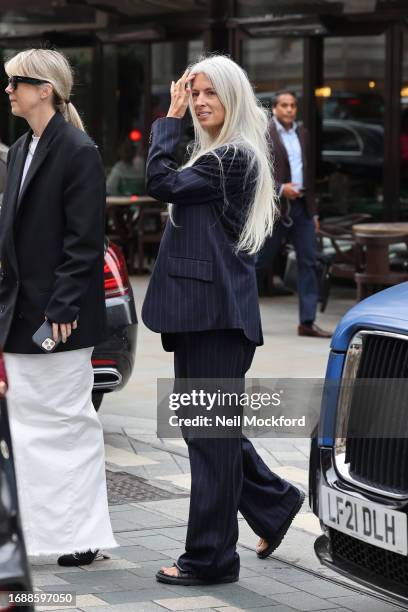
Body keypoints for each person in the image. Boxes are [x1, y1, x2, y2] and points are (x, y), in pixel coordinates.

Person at [142, 55, 305, 586]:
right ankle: (276, 503)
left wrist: (168, 118)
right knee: (207, 430)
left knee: (210, 439)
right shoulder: (215, 153)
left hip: (216, 318)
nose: (201, 100)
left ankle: (211, 559)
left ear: (233, 98)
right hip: (201, 316)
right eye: (195, 91)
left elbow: (160, 183)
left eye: (211, 92)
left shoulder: (233, 156)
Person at [0, 48, 117, 566]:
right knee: (30, 432)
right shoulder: (24, 146)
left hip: (57, 318)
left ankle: (81, 534)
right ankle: (48, 532)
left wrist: (63, 306)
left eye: (15, 82)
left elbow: (85, 240)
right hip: (21, 312)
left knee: (68, 427)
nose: (8, 90)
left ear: (44, 88)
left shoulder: (77, 149)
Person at [256, 90, 331, 338]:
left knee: (308, 263)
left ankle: (307, 322)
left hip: (302, 208)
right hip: (276, 209)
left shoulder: (303, 133)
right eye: (284, 105)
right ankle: (241, 315)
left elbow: (308, 173)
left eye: (293, 106)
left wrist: (314, 212)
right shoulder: (265, 133)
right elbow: (258, 171)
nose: (289, 109)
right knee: (258, 263)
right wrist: (280, 189)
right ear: (275, 108)